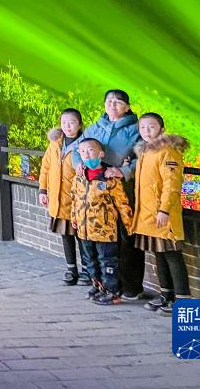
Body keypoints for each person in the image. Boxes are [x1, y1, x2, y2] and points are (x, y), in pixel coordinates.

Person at [72, 89, 145, 300]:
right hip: (95, 192)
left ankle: (130, 286)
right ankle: (105, 284)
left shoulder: (135, 129)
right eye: (109, 101)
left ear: (127, 107)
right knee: (101, 242)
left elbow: (145, 157)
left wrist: (124, 170)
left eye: (118, 101)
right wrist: (79, 165)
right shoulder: (96, 127)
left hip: (121, 188)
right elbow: (77, 150)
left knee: (126, 235)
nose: (112, 104)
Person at [132, 113, 191, 314]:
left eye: (151, 127)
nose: (146, 131)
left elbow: (172, 184)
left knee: (172, 256)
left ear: (162, 129)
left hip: (164, 213)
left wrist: (164, 209)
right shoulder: (145, 152)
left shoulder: (168, 152)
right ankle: (166, 295)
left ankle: (182, 301)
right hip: (149, 214)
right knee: (159, 254)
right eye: (142, 127)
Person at [71, 138, 134, 305]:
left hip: (105, 230)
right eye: (82, 152)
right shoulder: (79, 177)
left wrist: (129, 225)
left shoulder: (109, 178)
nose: (86, 155)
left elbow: (122, 203)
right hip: (84, 229)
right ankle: (98, 286)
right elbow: (74, 199)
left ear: (101, 154)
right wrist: (74, 218)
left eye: (90, 150)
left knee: (107, 261)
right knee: (90, 260)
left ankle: (112, 290)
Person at [38, 109, 89, 285]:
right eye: (64, 122)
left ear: (79, 125)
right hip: (59, 199)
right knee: (66, 236)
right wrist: (43, 190)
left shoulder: (85, 144)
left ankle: (87, 271)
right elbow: (45, 168)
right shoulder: (55, 143)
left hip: (78, 201)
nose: (67, 126)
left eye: (72, 122)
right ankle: (71, 269)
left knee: (82, 237)